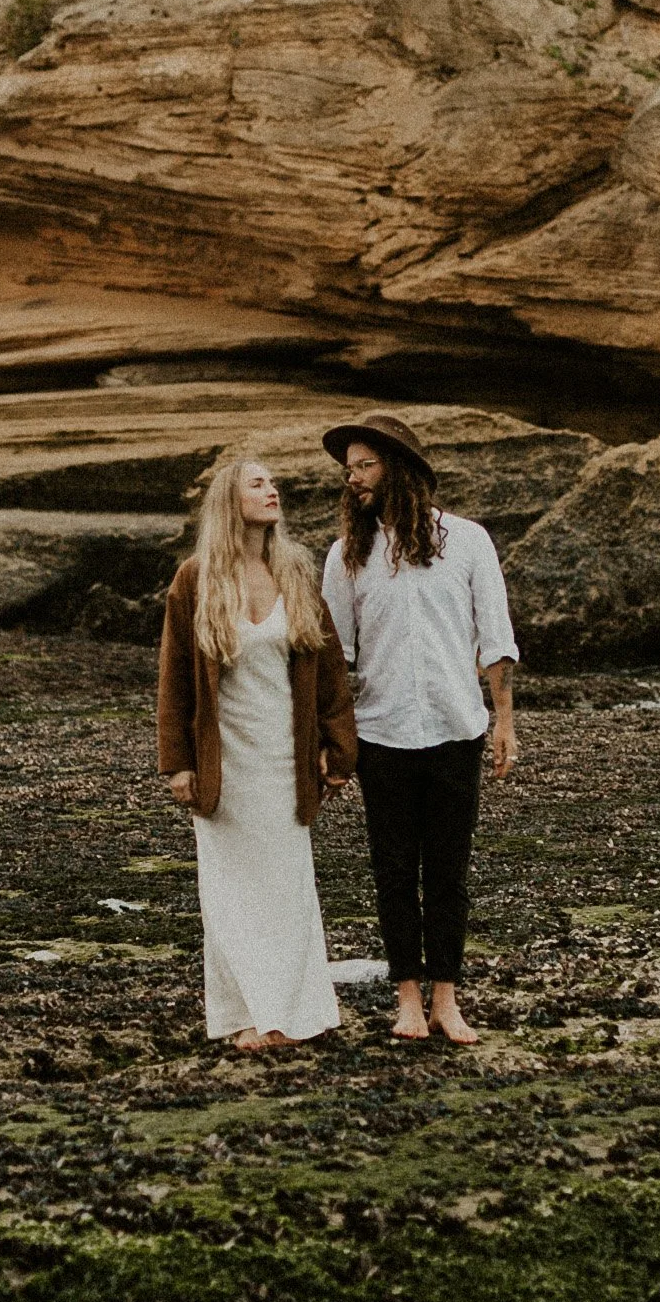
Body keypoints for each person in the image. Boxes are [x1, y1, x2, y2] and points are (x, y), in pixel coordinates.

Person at [320, 414, 518, 1046]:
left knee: (449, 872)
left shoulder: (468, 541)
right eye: (348, 469)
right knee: (394, 871)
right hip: (381, 735)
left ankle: (447, 1002)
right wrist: (330, 741)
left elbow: (497, 638)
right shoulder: (346, 556)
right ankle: (407, 999)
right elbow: (332, 660)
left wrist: (504, 721)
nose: (352, 480)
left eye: (364, 466)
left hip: (457, 729)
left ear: (399, 467)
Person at [157, 450, 357, 1054]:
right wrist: (179, 762)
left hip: (284, 758)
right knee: (229, 893)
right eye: (258, 483)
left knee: (289, 886)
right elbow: (175, 680)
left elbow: (329, 671)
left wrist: (337, 750)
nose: (273, 491)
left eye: (273, 483)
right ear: (230, 501)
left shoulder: (295, 571)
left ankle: (295, 1012)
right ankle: (248, 1015)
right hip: (225, 761)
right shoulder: (195, 579)